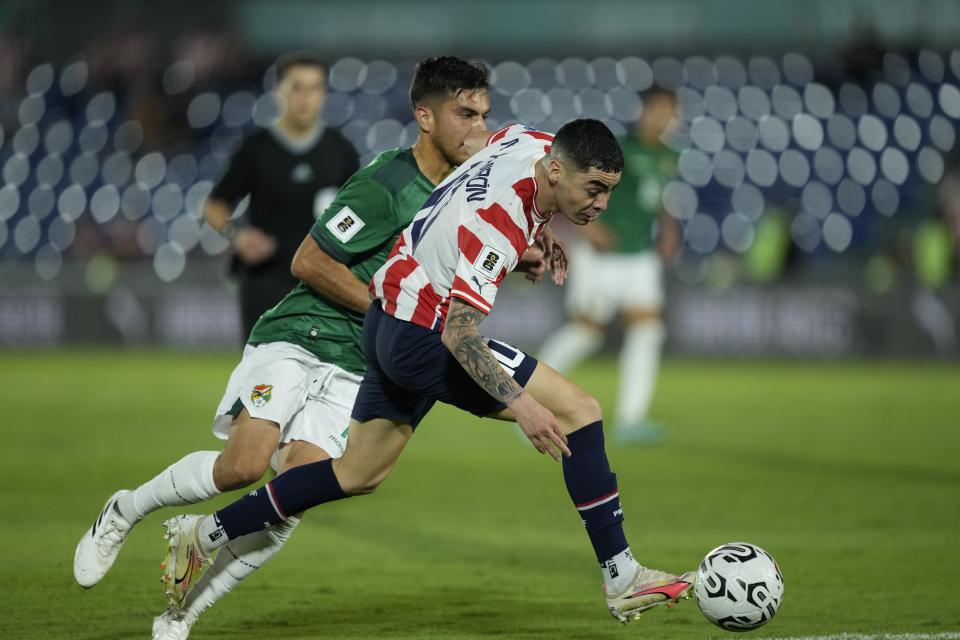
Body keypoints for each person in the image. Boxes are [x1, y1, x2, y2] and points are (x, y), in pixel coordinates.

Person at [160, 119, 694, 628]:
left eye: (609, 191)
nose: (602, 203)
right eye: (593, 189)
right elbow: (460, 334)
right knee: (579, 411)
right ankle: (621, 577)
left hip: (385, 317)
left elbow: (493, 146)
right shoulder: (499, 227)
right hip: (424, 336)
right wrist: (525, 406)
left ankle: (205, 533)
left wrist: (542, 230)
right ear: (555, 170)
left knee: (356, 474)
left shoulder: (529, 141)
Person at [74, 56, 536, 640]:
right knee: (242, 466)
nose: (480, 128)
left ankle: (180, 614)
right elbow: (309, 261)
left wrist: (527, 254)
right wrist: (391, 311)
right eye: (464, 114)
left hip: (360, 365)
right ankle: (126, 509)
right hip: (301, 334)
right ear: (424, 116)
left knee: (291, 494)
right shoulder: (386, 185)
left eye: (485, 115)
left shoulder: (465, 192)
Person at [538, 87, 680, 444]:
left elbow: (658, 197)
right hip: (602, 256)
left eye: (670, 111)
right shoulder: (619, 149)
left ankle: (632, 420)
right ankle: (530, 400)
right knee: (587, 331)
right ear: (644, 110)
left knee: (648, 330)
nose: (663, 117)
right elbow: (576, 185)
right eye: (658, 109)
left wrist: (668, 228)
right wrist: (589, 229)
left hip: (639, 256)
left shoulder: (667, 156)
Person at [203, 51, 359, 339]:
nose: (305, 97)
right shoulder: (256, 148)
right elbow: (215, 204)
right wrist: (236, 235)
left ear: (323, 94)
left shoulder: (341, 150)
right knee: (262, 377)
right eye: (296, 87)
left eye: (313, 88)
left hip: (322, 282)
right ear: (279, 93)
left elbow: (357, 213)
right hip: (265, 280)